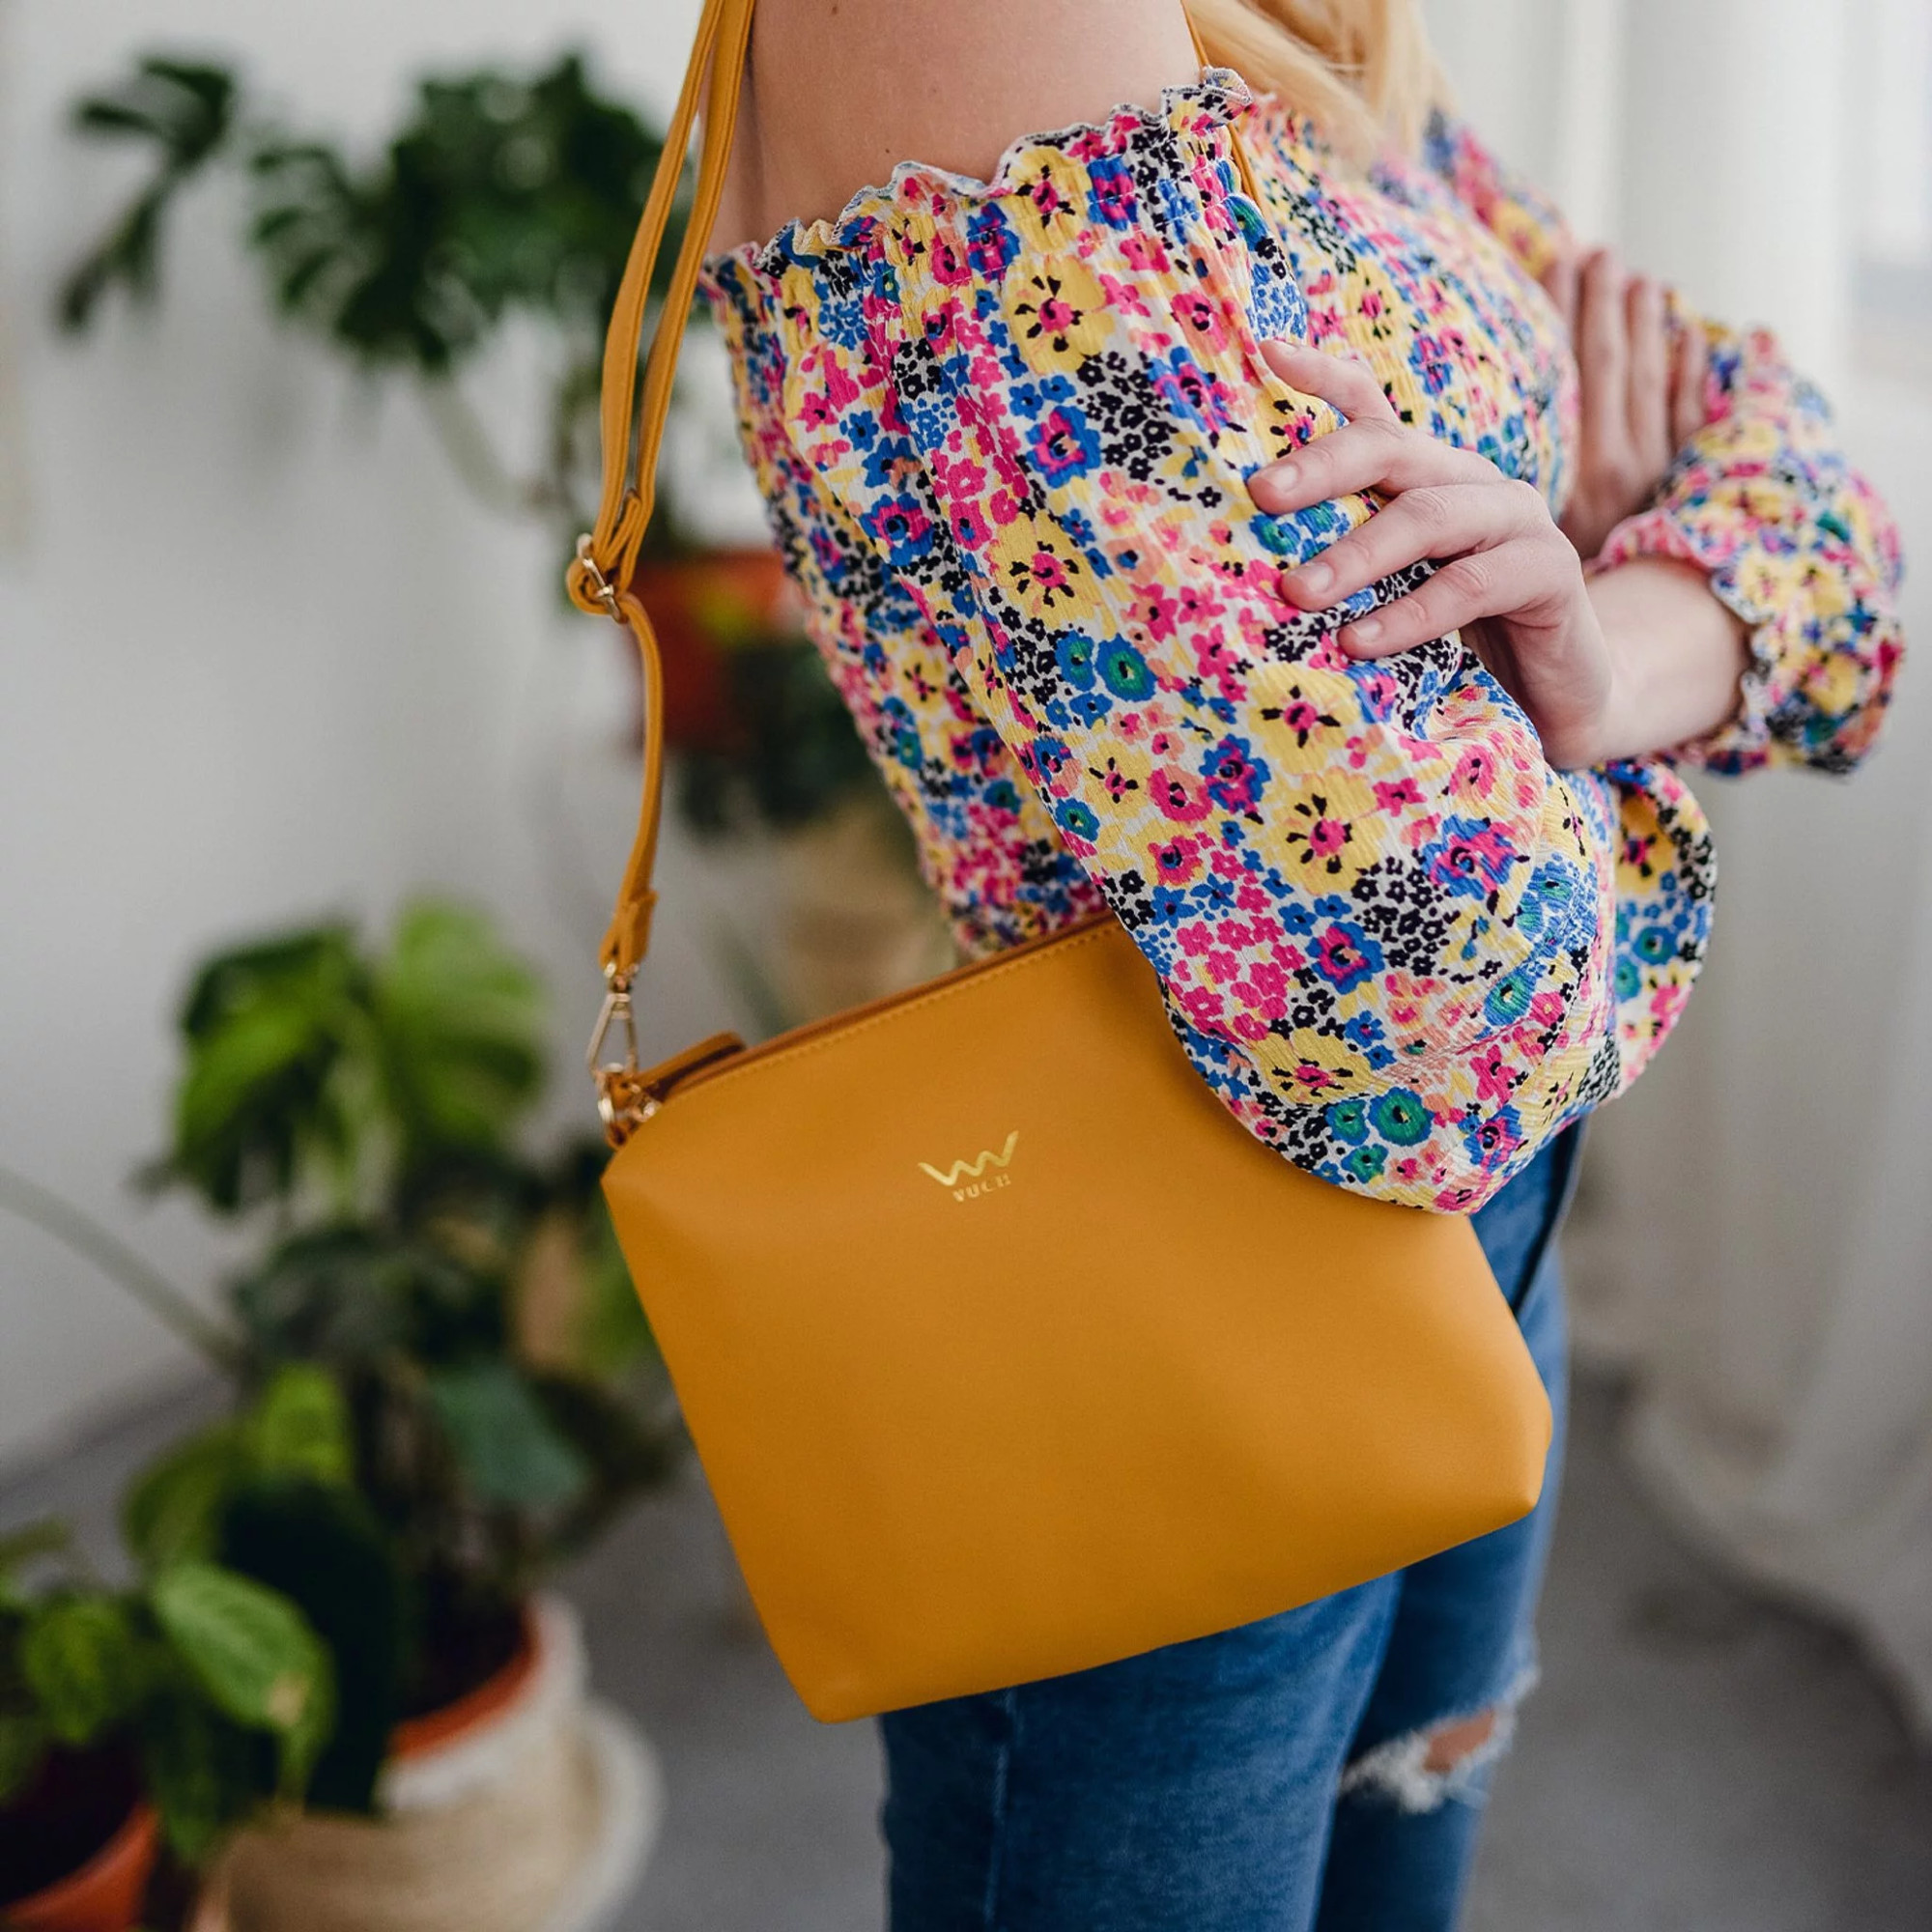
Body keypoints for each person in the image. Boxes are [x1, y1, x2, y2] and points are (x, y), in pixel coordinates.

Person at [696, 2, 1904, 1924]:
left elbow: (1814, 498)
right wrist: (1632, 618)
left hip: (1474, 1243)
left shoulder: (1288, 26)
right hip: (1176, 1310)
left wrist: (1592, 667)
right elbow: (1428, 982)